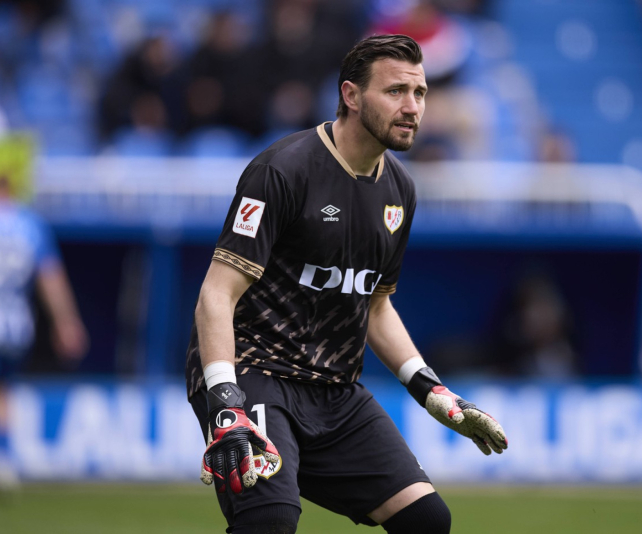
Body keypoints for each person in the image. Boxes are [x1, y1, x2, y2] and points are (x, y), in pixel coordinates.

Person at [185, 34, 508, 533]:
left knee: (427, 521)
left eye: (419, 93)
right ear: (351, 96)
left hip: (334, 389)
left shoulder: (400, 189)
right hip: (254, 373)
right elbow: (216, 294)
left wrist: (433, 391)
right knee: (270, 520)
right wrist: (225, 402)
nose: (413, 107)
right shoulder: (282, 170)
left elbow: (375, 305)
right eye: (396, 91)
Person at [0, 175, 88, 505]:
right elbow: (50, 278)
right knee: (2, 389)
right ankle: (1, 460)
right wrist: (66, 321)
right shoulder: (30, 225)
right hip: (16, 324)